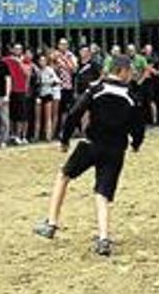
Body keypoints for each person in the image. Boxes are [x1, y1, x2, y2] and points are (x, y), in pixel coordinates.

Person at [33, 55, 145, 257]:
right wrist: (136, 143)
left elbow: (74, 113)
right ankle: (103, 239)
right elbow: (138, 124)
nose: (132, 75)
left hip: (91, 144)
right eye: (130, 71)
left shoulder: (96, 90)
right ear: (122, 71)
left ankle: (51, 223)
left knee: (64, 176)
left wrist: (65, 139)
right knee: (103, 194)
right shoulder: (131, 95)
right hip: (116, 149)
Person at [3, 44, 30, 145]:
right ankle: (11, 135)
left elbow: (27, 73)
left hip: (21, 90)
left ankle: (19, 135)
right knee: (11, 115)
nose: (17, 50)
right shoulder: (6, 60)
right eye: (16, 49)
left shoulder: (25, 60)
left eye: (20, 49)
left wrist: (19, 62)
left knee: (21, 116)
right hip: (10, 90)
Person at [37, 53, 62, 141]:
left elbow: (57, 81)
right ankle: (46, 134)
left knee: (52, 114)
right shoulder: (39, 70)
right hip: (43, 93)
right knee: (46, 115)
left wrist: (48, 83)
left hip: (53, 92)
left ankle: (50, 135)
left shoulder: (50, 70)